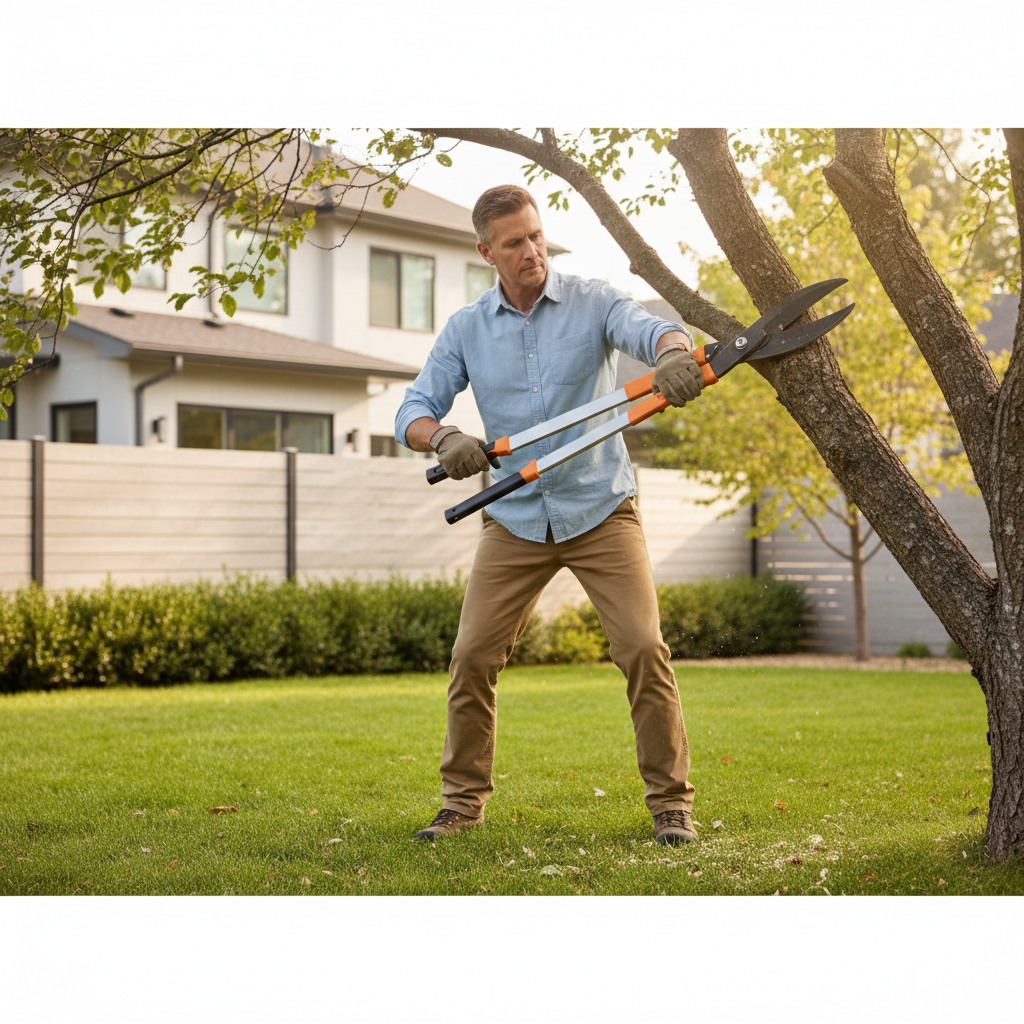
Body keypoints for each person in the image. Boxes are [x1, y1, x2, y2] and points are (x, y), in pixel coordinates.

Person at [394, 184, 704, 845]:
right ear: (487, 252)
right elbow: (413, 409)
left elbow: (649, 328)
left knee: (644, 649)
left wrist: (674, 353)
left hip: (601, 505)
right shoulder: (466, 329)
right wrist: (443, 438)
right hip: (516, 516)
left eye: (535, 236)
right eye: (514, 243)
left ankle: (671, 805)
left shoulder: (592, 301)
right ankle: (462, 804)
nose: (531, 250)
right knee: (472, 655)